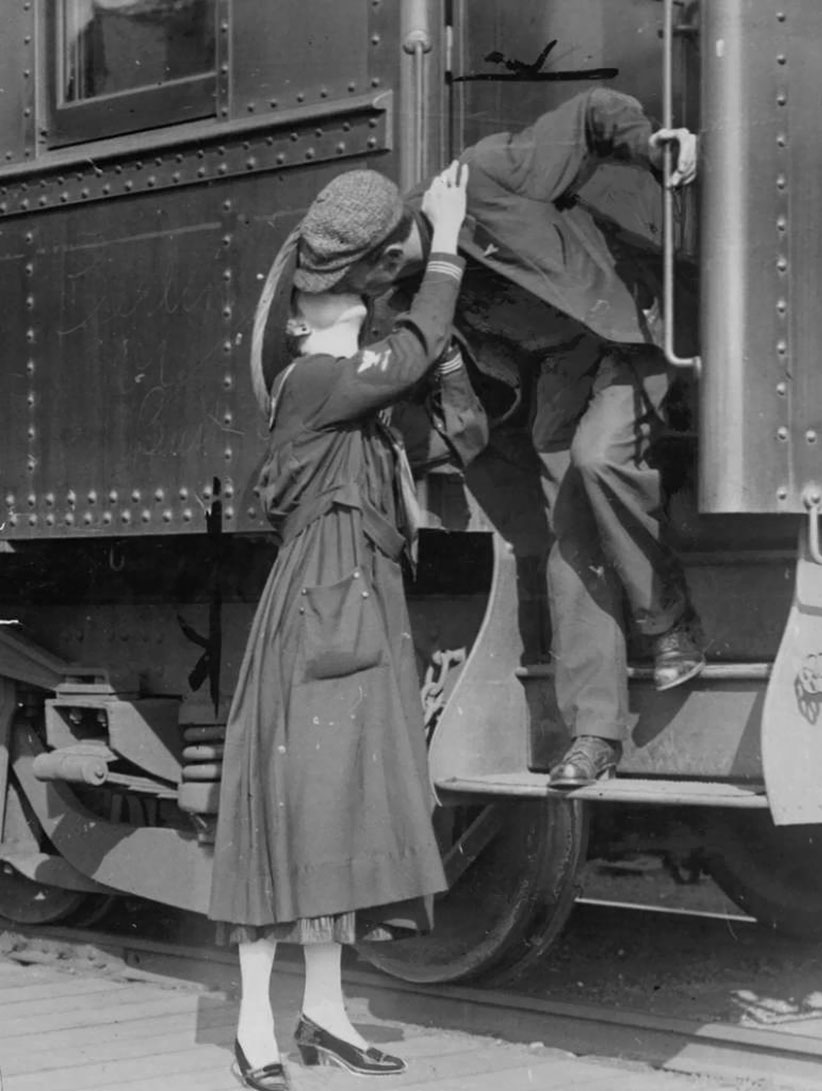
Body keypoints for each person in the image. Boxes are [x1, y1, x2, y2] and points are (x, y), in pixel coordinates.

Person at [209, 161, 478, 1089]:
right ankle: (255, 1027)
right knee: (291, 817)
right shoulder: (319, 379)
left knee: (342, 805)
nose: (347, 303)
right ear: (296, 321)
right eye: (328, 298)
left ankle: (323, 1015)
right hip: (326, 605)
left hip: (350, 599)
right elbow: (408, 353)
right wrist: (445, 246)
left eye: (350, 290)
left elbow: (408, 370)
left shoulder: (337, 381)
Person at [384, 88, 704, 789]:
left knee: (598, 457)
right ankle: (594, 732)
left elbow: (591, 115)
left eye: (381, 259)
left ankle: (670, 620)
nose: (377, 278)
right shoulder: (411, 290)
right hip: (565, 370)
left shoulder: (482, 176)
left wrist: (650, 143)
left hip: (633, 328)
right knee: (567, 531)